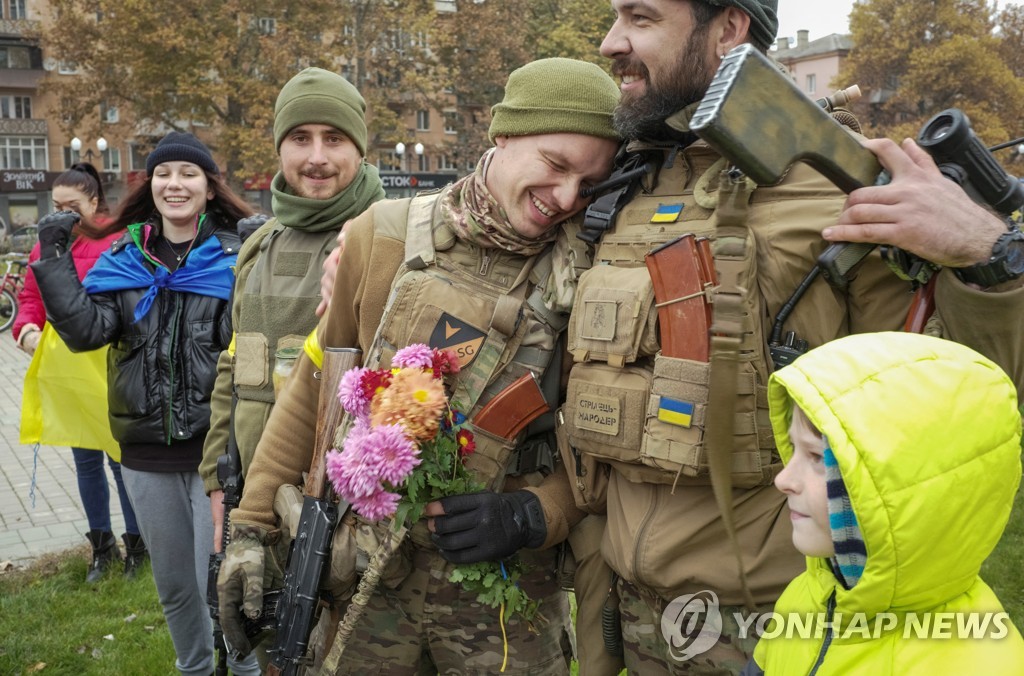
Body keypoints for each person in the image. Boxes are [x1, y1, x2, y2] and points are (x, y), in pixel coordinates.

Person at [557, 1, 1024, 673]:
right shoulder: (630, 183)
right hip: (628, 614)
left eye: (640, 17)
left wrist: (989, 253)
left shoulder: (845, 195)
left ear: (729, 27)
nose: (610, 42)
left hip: (767, 625)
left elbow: (960, 403)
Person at [218, 57, 621, 674]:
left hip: (504, 598)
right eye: (555, 165)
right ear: (504, 136)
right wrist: (250, 529)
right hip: (368, 580)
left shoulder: (591, 278)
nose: (566, 198)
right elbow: (315, 389)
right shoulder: (384, 236)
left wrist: (534, 514)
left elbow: (599, 449)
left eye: (587, 184)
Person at [29, 132, 261, 676]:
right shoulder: (124, 257)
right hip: (144, 457)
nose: (174, 183)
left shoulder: (233, 256)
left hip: (217, 456)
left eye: (188, 174)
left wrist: (257, 267)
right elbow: (87, 332)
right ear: (149, 184)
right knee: (176, 587)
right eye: (163, 173)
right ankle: (194, 669)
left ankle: (247, 671)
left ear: (208, 188)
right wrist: (56, 260)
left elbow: (248, 339)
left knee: (228, 585)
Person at [743, 331, 1024, 674]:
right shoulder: (809, 596)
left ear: (902, 489)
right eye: (794, 449)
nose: (782, 480)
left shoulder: (979, 665)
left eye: (817, 457)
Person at [199, 66, 385, 548]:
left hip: (347, 507)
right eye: (300, 138)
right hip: (254, 497)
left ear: (360, 150)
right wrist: (218, 482)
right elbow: (233, 368)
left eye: (335, 139)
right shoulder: (259, 247)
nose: (317, 157)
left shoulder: (388, 239)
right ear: (280, 148)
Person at [14, 163, 145, 582]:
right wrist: (27, 330)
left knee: (120, 462)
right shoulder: (46, 245)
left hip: (109, 371)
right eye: (57, 207)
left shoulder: (115, 241)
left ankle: (136, 547)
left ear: (94, 203)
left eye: (73, 207)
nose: (64, 217)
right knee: (85, 462)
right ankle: (100, 548)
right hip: (68, 375)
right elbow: (31, 295)